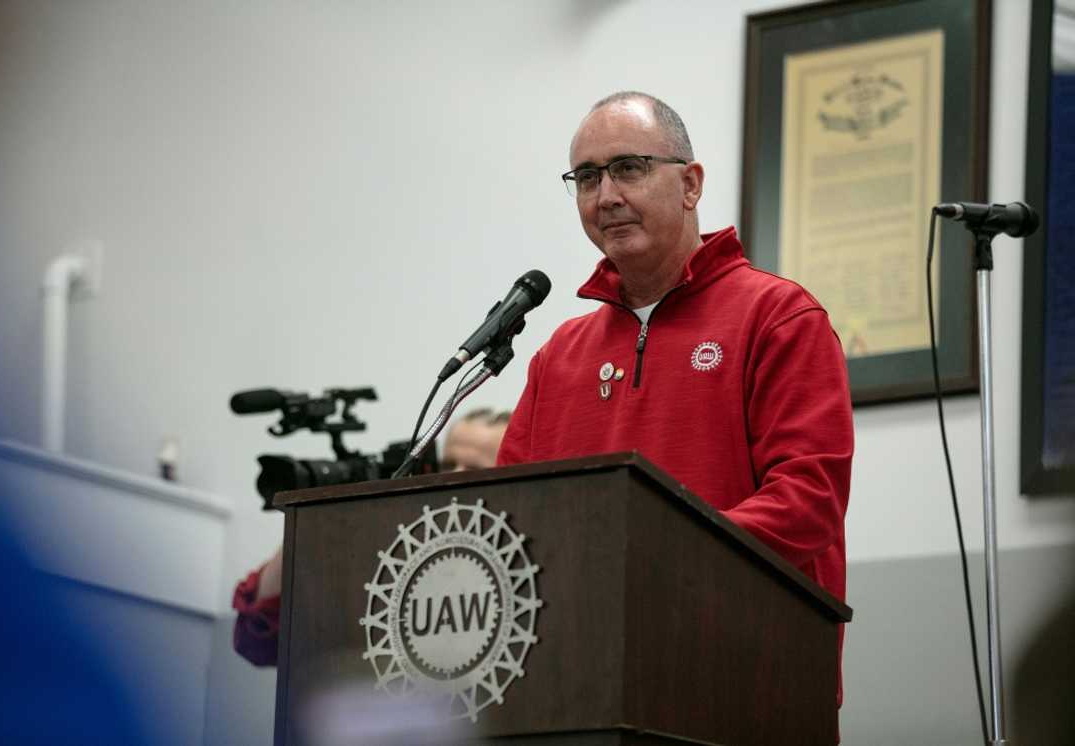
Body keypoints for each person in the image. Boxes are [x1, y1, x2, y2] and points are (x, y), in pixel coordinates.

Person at [496, 92, 853, 709]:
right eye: (586, 177)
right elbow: (512, 520)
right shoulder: (558, 356)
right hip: (581, 688)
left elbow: (808, 499)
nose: (605, 195)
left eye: (628, 168)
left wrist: (650, 558)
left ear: (690, 185)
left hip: (747, 684)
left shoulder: (779, 318)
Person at [232, 409, 511, 666]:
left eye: (474, 469)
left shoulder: (512, 558)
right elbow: (255, 641)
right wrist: (306, 520)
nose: (454, 477)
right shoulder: (394, 543)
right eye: (449, 465)